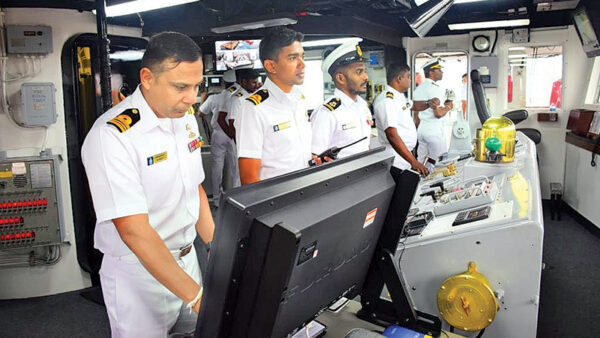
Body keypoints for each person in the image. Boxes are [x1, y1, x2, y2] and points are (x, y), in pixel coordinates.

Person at [81, 32, 214, 337]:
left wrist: (218, 247)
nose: (192, 98)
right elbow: (134, 231)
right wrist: (195, 296)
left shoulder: (185, 118)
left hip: (186, 259)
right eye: (181, 87)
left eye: (196, 86)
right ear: (148, 78)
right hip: (139, 272)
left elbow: (195, 189)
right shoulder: (112, 136)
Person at [237, 27, 323, 185]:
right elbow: (249, 178)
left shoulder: (299, 100)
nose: (302, 64)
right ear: (271, 66)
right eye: (292, 58)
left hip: (305, 191)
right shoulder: (254, 108)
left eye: (302, 56)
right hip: (278, 201)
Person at [310, 41, 372, 158]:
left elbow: (364, 146)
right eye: (359, 72)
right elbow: (315, 157)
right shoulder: (327, 113)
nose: (366, 77)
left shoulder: (362, 106)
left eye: (365, 71)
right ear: (340, 78)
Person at [373, 63, 429, 175]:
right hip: (395, 157)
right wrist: (414, 161)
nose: (410, 80)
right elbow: (391, 134)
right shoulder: (387, 100)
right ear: (399, 78)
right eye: (408, 76)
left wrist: (429, 103)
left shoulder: (398, 97)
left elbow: (414, 105)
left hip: (404, 155)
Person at [201, 70, 240, 206]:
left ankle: (217, 199)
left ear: (223, 82)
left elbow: (200, 112)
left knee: (217, 166)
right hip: (234, 133)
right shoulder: (238, 94)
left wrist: (204, 97)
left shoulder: (214, 97)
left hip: (218, 133)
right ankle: (238, 198)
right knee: (236, 167)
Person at [412, 58, 454, 162]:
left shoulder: (419, 88)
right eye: (439, 70)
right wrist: (448, 107)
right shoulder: (434, 88)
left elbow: (416, 112)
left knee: (421, 161)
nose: (441, 72)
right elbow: (438, 114)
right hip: (433, 130)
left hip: (422, 129)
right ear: (431, 72)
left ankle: (420, 179)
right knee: (438, 163)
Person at [225, 68, 261, 144]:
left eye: (257, 82)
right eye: (254, 82)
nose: (256, 85)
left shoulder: (254, 94)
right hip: (244, 141)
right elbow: (232, 125)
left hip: (254, 137)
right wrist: (238, 144)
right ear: (244, 82)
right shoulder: (237, 99)